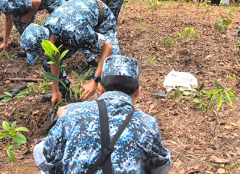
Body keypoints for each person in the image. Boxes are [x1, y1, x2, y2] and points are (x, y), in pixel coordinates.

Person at [33, 55, 172, 173]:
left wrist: (63, 121)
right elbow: (162, 166)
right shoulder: (147, 124)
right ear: (138, 92)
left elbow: (44, 158)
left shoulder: (72, 113)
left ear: (100, 89)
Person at [20, 0, 120, 105]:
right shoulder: (46, 32)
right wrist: (55, 91)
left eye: (40, 52)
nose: (41, 55)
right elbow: (53, 56)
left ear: (49, 43)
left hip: (101, 16)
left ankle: (114, 101)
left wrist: (95, 81)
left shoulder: (76, 33)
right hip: (76, 19)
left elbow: (107, 48)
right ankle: (64, 94)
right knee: (47, 62)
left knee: (114, 63)